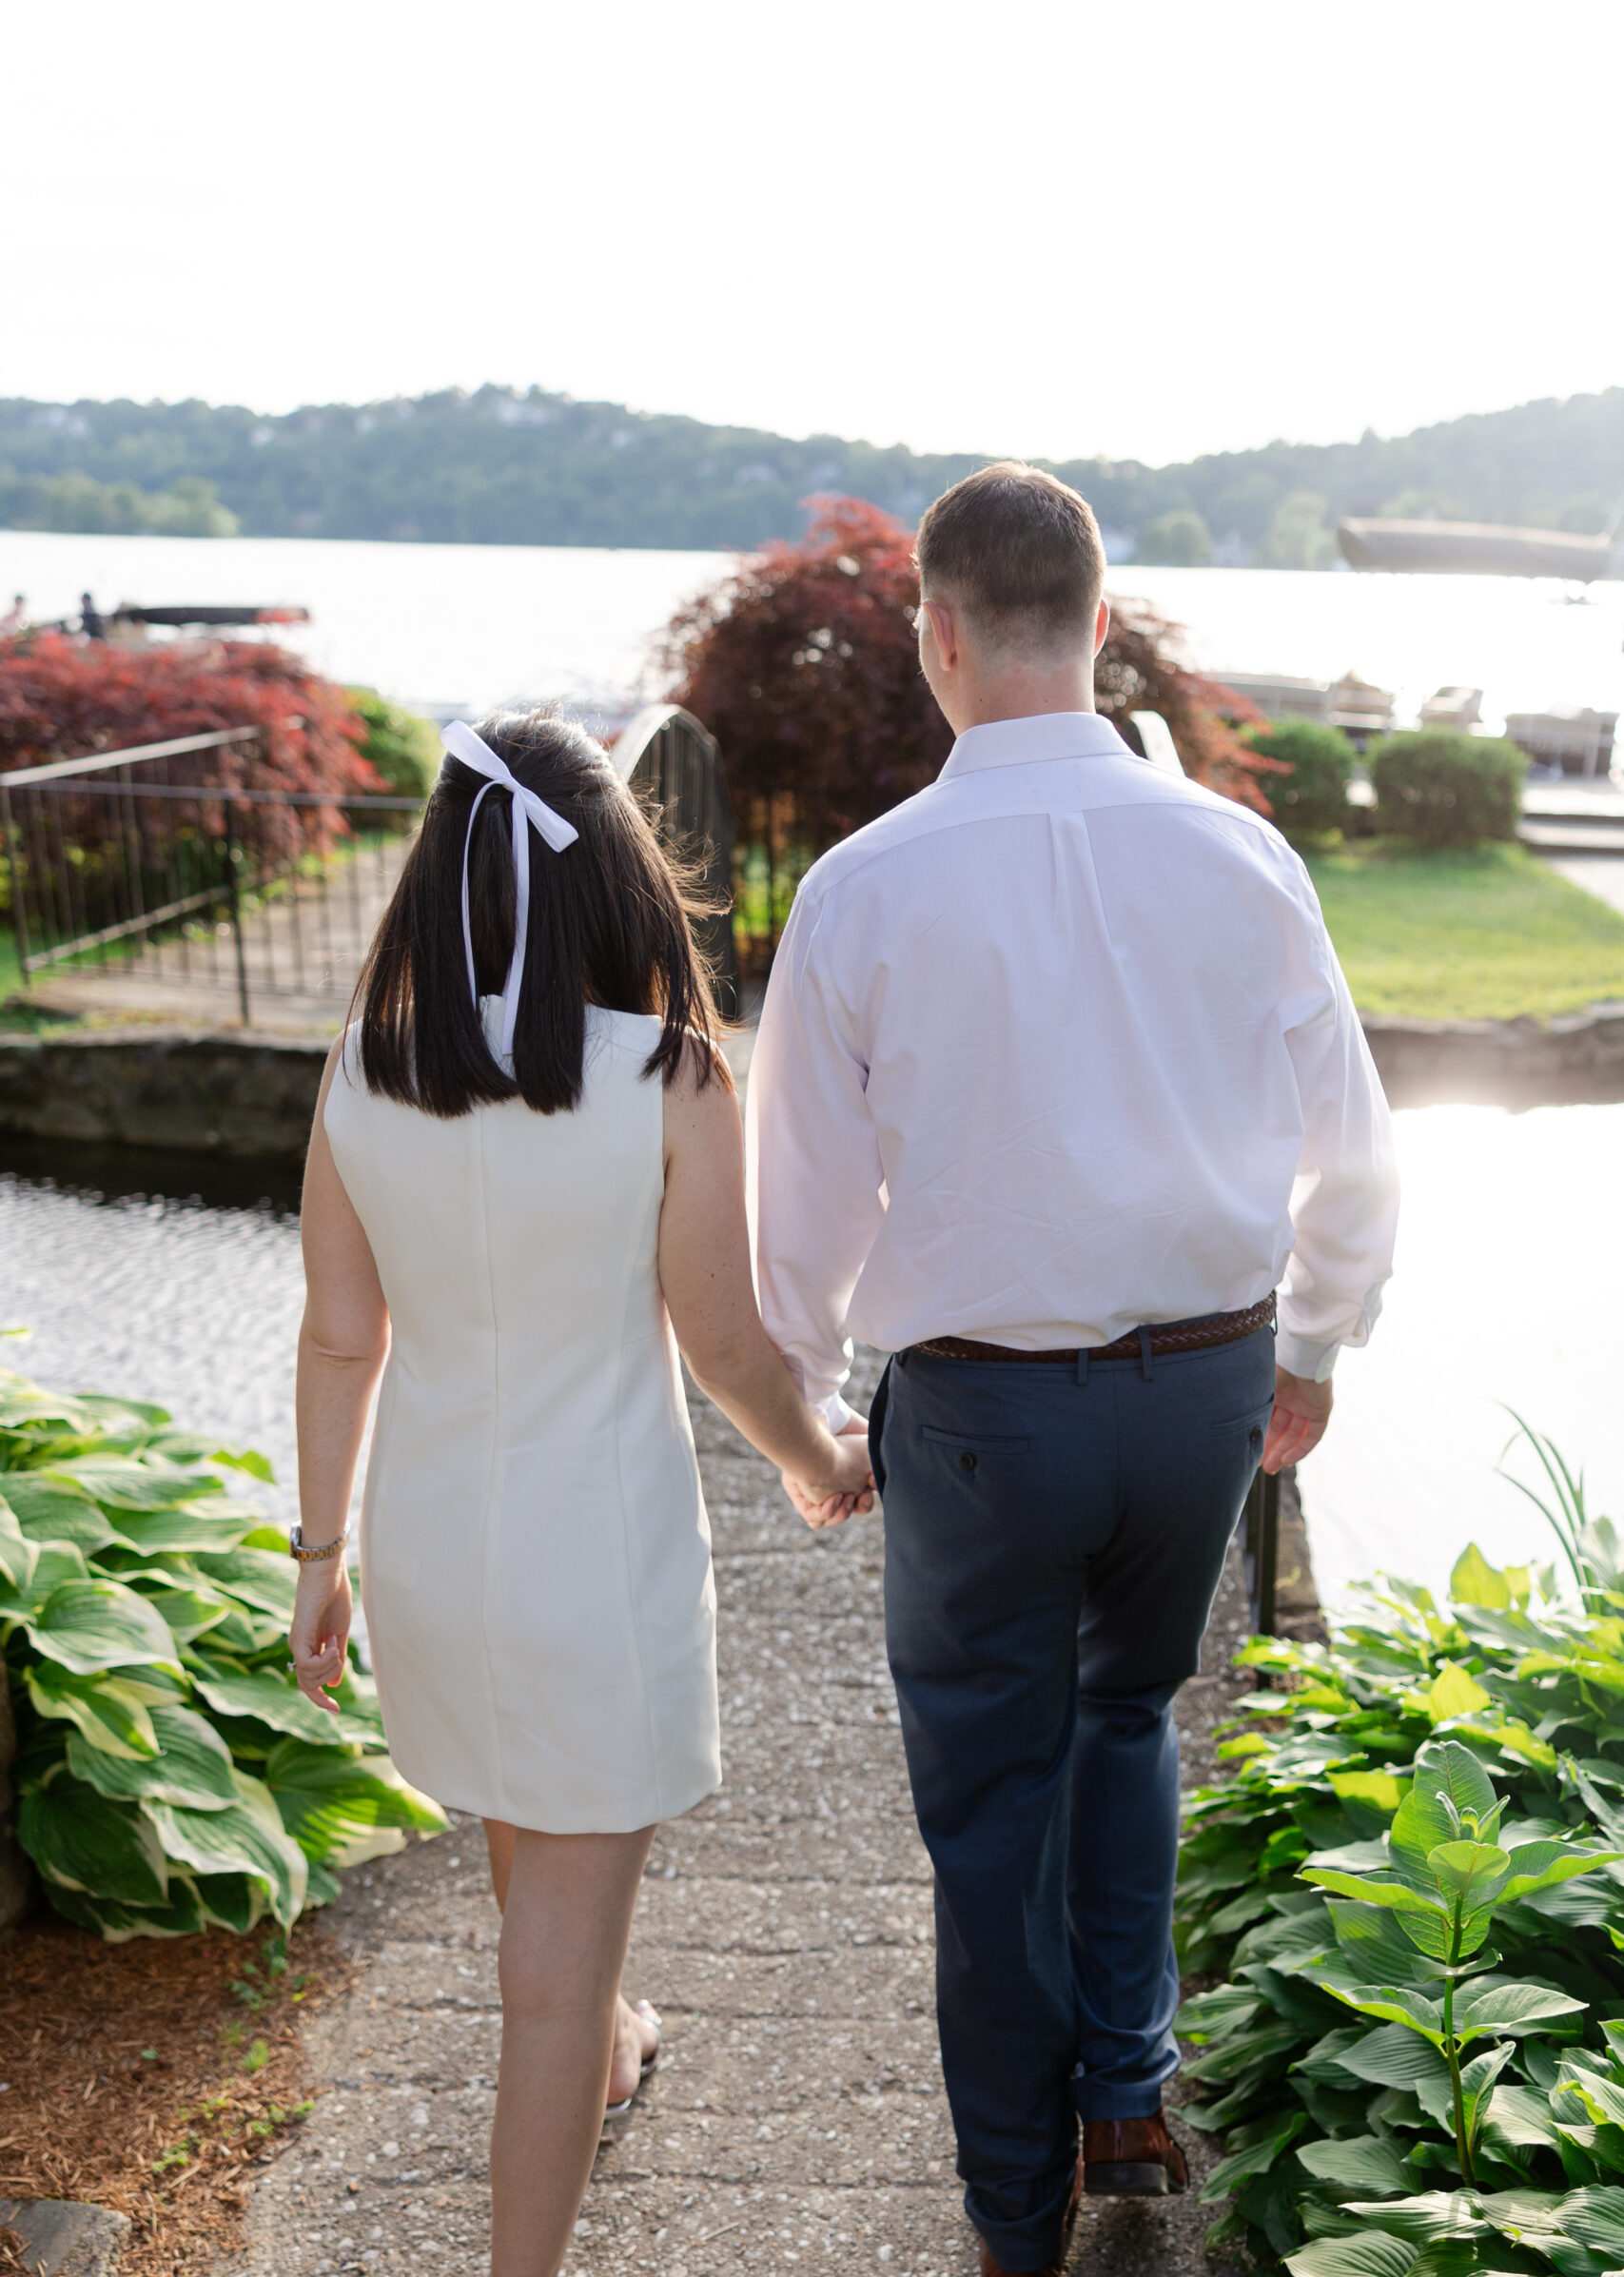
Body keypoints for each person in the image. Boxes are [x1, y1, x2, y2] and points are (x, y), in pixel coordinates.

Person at [748, 464, 1399, 2277]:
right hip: (1201, 1391)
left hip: (978, 1421)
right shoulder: (1239, 852)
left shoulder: (865, 888)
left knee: (987, 1808)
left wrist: (804, 1411)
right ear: (1100, 625)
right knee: (1128, 1718)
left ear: (938, 638)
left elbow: (793, 1206)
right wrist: (1319, 1347)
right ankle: (1131, 2087)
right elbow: (1351, 1141)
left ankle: (1012, 2214)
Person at [290, 712, 873, 2277]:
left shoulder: (361, 1074)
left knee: (532, 1850)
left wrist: (319, 1558)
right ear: (616, 879)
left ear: (437, 882)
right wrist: (826, 1461)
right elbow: (727, 1342)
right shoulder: (669, 1075)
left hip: (428, 1553)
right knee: (540, 1980)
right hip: (591, 1563)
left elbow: (343, 1338)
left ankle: (615, 2035)